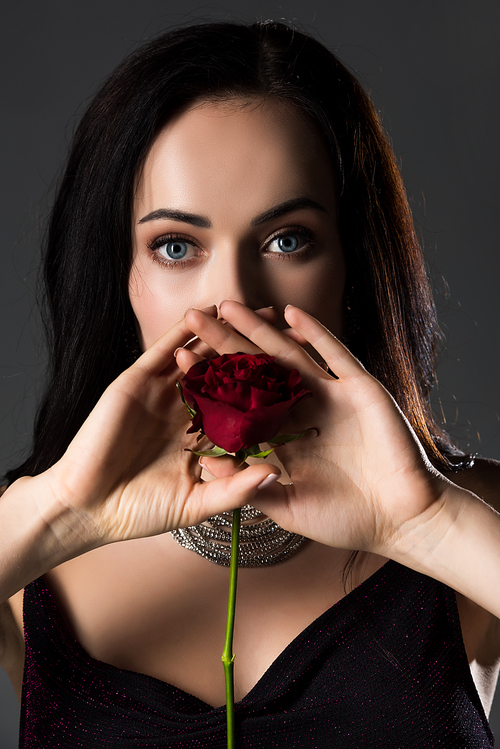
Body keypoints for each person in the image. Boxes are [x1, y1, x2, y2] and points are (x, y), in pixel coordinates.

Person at [1, 19, 499, 748]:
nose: (232, 301)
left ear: (351, 265)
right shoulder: (29, 549)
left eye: (286, 239)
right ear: (122, 278)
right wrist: (58, 514)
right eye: (176, 246)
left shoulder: (472, 514)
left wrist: (423, 525)